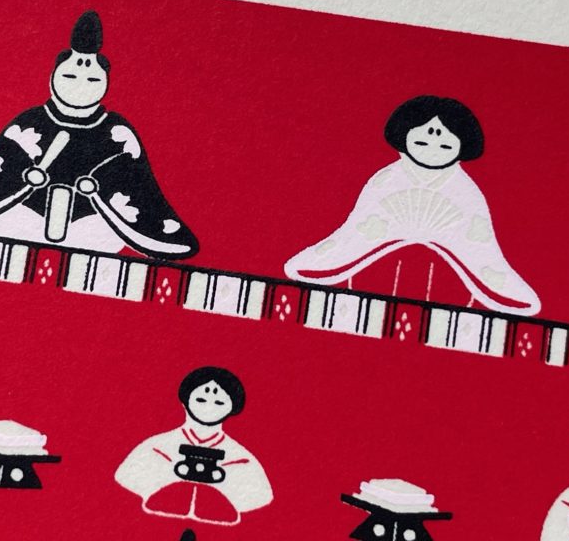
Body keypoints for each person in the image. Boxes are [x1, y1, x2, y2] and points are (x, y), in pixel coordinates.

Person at [0, 10, 198, 259]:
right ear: (54, 75)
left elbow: (135, 184)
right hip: (26, 215)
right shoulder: (31, 121)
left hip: (87, 222)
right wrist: (26, 179)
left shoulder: (115, 130)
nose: (81, 85)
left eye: (92, 80)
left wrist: (96, 188)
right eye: (70, 77)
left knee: (99, 237)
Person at [283, 95, 540, 315]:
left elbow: (480, 247)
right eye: (421, 142)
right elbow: (355, 232)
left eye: (445, 145)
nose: (433, 147)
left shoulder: (467, 192)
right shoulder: (386, 180)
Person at [115, 367, 272, 527]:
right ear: (186, 400)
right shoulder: (156, 448)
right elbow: (127, 479)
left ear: (232, 408)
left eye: (219, 402)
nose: (209, 407)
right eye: (201, 400)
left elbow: (258, 496)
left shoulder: (242, 460)